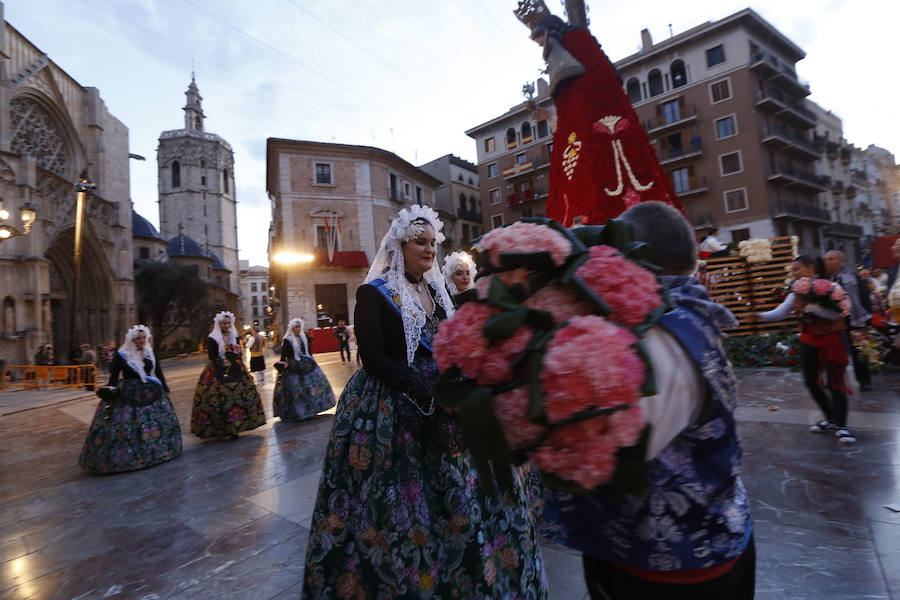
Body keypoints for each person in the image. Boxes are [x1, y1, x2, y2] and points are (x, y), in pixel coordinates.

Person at [302, 205, 548, 598]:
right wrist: (428, 392)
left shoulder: (435, 289)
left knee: (459, 490)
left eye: (434, 242)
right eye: (421, 242)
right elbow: (375, 358)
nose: (430, 249)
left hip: (447, 403)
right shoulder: (373, 293)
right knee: (396, 502)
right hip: (391, 409)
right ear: (400, 246)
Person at [541, 202, 754, 600]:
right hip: (712, 536)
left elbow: (614, 449)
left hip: (671, 565)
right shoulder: (689, 314)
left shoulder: (658, 337)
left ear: (630, 261)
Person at [750, 256, 855, 445]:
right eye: (793, 270)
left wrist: (812, 307)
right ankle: (830, 419)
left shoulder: (831, 288)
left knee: (835, 383)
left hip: (832, 339)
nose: (793, 274)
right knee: (810, 381)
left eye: (797, 269)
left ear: (810, 268)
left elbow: (836, 313)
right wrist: (760, 316)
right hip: (809, 339)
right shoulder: (797, 290)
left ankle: (842, 426)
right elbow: (782, 311)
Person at [78, 325, 182, 473]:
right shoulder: (122, 355)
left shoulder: (149, 353)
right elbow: (114, 377)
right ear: (131, 339)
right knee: (127, 425)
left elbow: (158, 371)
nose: (141, 341)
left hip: (151, 390)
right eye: (138, 338)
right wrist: (109, 392)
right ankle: (130, 458)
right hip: (128, 391)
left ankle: (159, 451)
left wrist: (164, 387)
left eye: (143, 338)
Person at [190, 311, 266, 440]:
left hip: (235, 368)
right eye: (224, 323)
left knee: (240, 396)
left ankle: (235, 428)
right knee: (218, 398)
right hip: (217, 370)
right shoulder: (212, 338)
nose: (226, 325)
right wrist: (222, 361)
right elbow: (212, 356)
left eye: (228, 323)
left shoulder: (234, 336)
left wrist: (236, 359)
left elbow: (239, 351)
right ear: (219, 324)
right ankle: (221, 428)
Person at [824, 250, 872, 391]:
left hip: (854, 318)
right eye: (826, 259)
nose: (827, 262)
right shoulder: (824, 279)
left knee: (859, 351)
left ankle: (864, 380)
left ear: (841, 260)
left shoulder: (852, 276)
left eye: (831, 259)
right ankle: (834, 379)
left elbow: (864, 296)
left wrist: (866, 317)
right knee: (834, 351)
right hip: (833, 320)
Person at [272, 317, 336, 422]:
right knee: (296, 390)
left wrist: (313, 362)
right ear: (292, 328)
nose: (298, 329)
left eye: (299, 327)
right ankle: (298, 412)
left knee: (311, 387)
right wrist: (282, 365)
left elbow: (308, 353)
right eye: (296, 327)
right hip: (293, 368)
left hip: (307, 365)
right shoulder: (287, 340)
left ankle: (312, 409)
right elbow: (284, 356)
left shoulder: (304, 338)